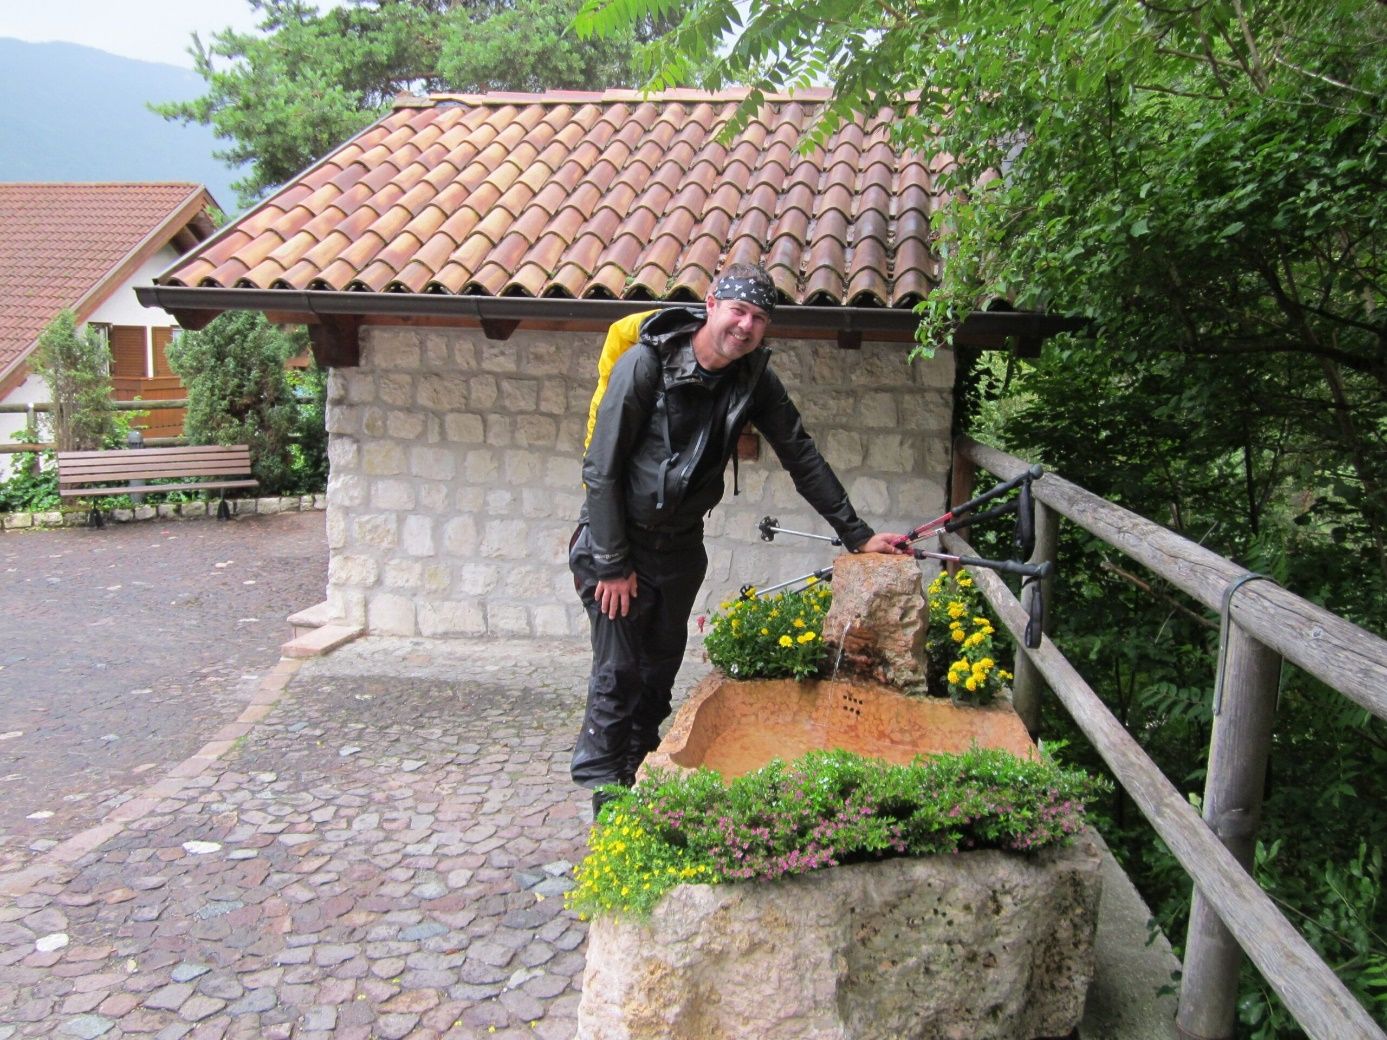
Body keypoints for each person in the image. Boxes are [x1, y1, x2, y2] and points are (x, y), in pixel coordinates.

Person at [569, 263, 907, 814]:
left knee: (656, 676)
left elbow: (802, 456)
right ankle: (608, 814)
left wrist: (858, 536)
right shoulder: (645, 364)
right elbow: (600, 468)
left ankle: (635, 791)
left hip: (680, 552)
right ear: (711, 305)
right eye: (738, 311)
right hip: (618, 546)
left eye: (759, 318)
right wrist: (611, 563)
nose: (746, 326)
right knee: (618, 675)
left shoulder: (753, 380)